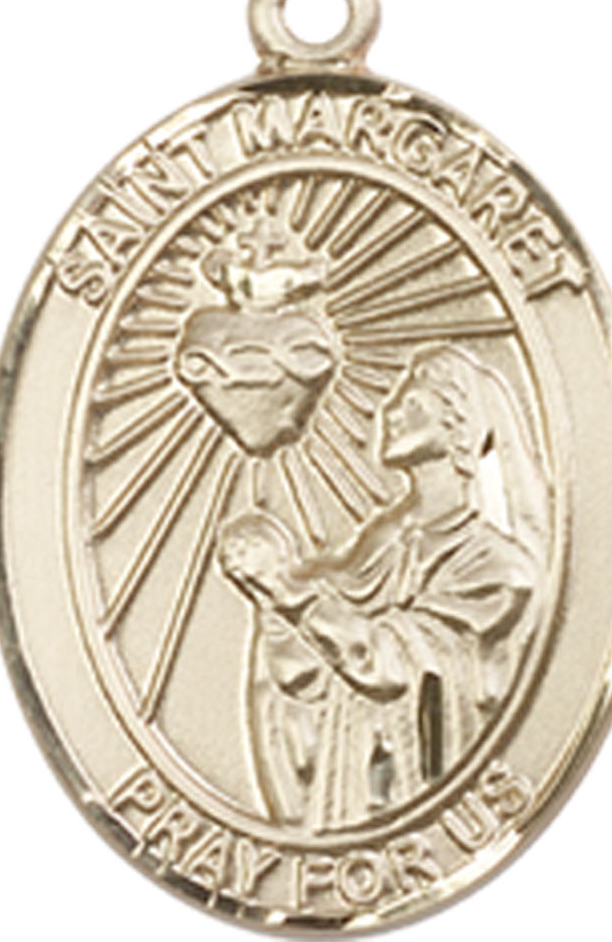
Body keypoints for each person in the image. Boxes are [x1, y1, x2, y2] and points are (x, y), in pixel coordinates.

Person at [218, 345, 549, 832]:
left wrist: (285, 588)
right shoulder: (381, 552)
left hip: (421, 795)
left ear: (459, 428)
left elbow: (390, 666)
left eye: (413, 403)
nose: (390, 412)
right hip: (344, 790)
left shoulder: (496, 570)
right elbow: (304, 679)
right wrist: (269, 596)